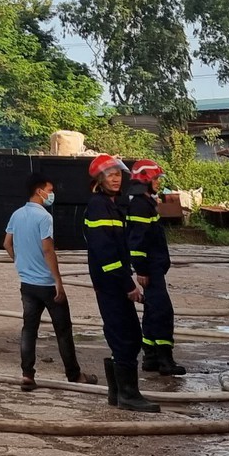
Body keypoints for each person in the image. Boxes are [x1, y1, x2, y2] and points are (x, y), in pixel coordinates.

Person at [85, 154, 158, 412]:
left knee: (126, 335)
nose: (116, 179)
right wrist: (128, 285)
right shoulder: (99, 207)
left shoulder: (112, 205)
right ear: (99, 179)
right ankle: (128, 395)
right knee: (125, 336)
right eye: (110, 175)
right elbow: (106, 254)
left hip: (113, 282)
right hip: (111, 284)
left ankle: (118, 394)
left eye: (118, 175)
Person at [3, 175, 81, 391]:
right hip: (46, 283)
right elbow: (48, 249)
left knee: (29, 329)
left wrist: (20, 261)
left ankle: (27, 374)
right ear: (40, 191)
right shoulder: (44, 217)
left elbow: (7, 243)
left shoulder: (17, 214)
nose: (51, 194)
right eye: (50, 190)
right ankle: (74, 375)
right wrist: (58, 280)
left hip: (27, 283)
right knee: (63, 330)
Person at [122, 159, 185, 376]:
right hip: (150, 269)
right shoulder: (140, 204)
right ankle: (165, 360)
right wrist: (141, 270)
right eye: (156, 178)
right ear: (145, 180)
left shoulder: (146, 201)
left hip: (153, 267)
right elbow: (137, 241)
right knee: (162, 312)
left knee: (151, 311)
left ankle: (150, 357)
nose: (158, 182)